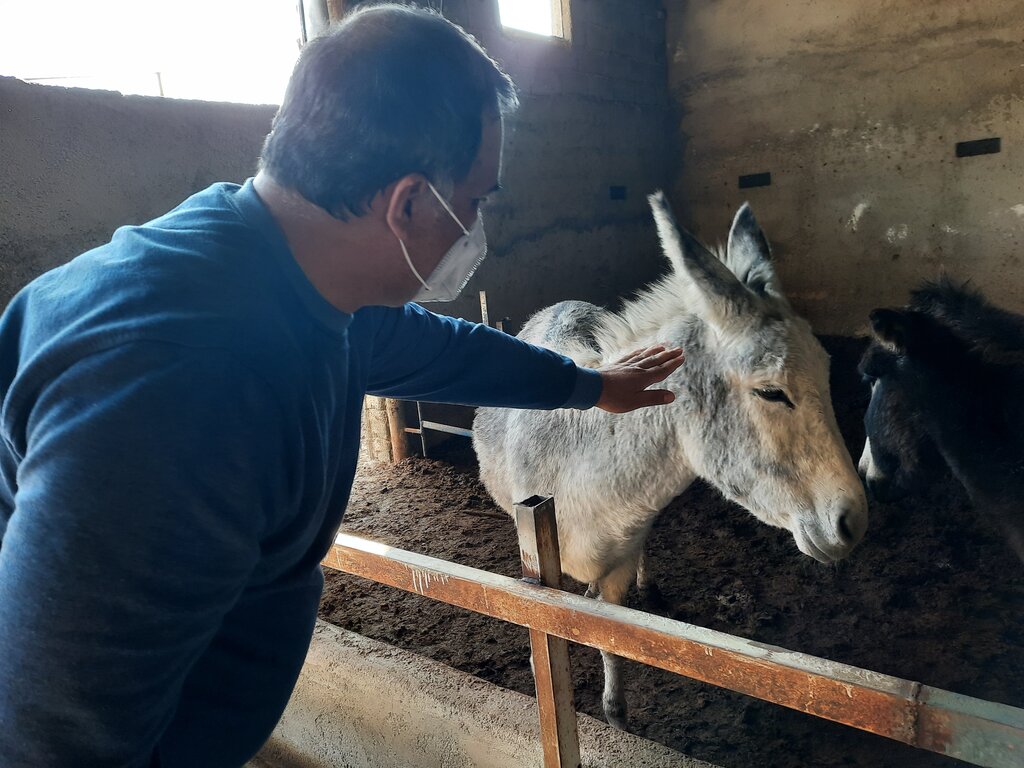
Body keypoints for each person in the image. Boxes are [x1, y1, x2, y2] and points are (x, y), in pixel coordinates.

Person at [0, 5, 683, 767]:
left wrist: (589, 386)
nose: (479, 224)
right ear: (410, 203)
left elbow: (444, 351)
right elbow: (55, 736)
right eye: (480, 198)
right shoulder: (181, 394)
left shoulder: (288, 277)